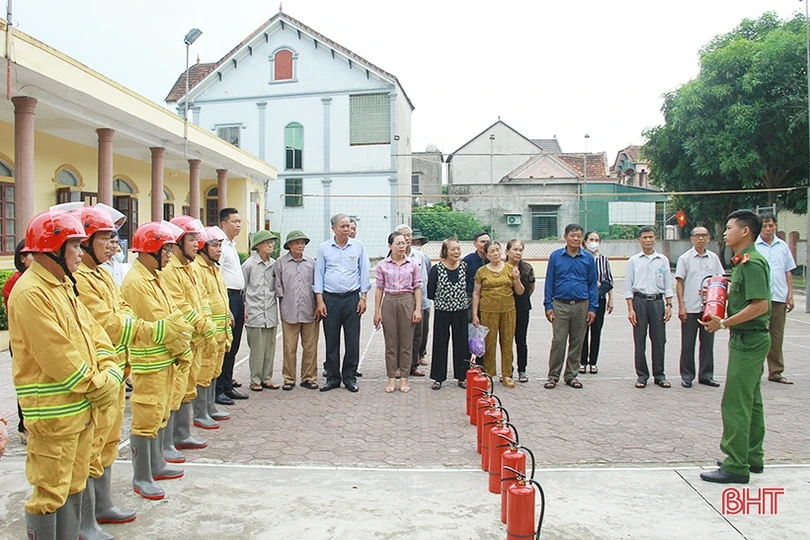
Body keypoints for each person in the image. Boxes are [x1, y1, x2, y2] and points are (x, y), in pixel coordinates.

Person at [9, 209, 124, 538]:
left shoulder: (62, 285)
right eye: (74, 246)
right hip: (54, 414)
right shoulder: (31, 292)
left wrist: (109, 368)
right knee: (49, 494)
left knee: (74, 483)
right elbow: (57, 354)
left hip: (79, 410)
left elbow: (94, 333)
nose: (79, 252)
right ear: (52, 250)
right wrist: (97, 384)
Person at [72, 206, 140, 536]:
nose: (112, 244)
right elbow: (107, 322)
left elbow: (121, 308)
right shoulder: (81, 279)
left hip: (114, 368)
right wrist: (134, 327)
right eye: (104, 238)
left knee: (109, 439)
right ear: (86, 243)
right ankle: (86, 520)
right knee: (92, 445)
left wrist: (126, 324)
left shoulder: (100, 272)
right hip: (99, 373)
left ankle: (102, 505)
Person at [121, 221, 194, 501]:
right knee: (146, 417)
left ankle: (156, 465)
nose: (168, 255)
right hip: (149, 361)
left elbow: (175, 315)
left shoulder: (155, 276)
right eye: (165, 250)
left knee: (160, 412)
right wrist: (178, 333)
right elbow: (159, 321)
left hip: (164, 359)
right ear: (150, 250)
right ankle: (142, 476)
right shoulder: (138, 282)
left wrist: (179, 334)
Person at [700, 209, 771, 484]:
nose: (725, 232)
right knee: (752, 402)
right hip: (748, 338)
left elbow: (760, 305)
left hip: (749, 340)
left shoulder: (752, 263)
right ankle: (751, 456)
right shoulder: (742, 262)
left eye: (730, 228)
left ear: (745, 232)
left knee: (735, 403)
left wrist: (724, 322)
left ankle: (735, 464)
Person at [162, 216, 217, 455]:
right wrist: (202, 323)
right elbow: (180, 305)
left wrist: (205, 319)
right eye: (192, 239)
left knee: (188, 384)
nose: (197, 244)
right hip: (183, 338)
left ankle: (182, 434)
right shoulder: (170, 269)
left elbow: (200, 297)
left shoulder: (189, 267)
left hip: (195, 338)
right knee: (177, 389)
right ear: (177, 241)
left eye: (197, 239)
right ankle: (173, 438)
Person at [314, 213, 371, 393]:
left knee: (352, 340)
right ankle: (332, 377)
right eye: (343, 226)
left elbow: (364, 273)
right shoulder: (324, 248)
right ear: (333, 229)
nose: (347, 229)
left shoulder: (358, 247)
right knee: (331, 339)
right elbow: (319, 275)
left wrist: (363, 298)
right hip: (330, 299)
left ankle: (349, 376)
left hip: (352, 299)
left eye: (348, 226)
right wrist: (320, 302)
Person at [542, 224, 598, 390]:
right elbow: (549, 281)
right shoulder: (556, 256)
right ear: (565, 236)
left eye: (579, 236)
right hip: (560, 305)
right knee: (558, 341)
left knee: (577, 341)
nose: (576, 239)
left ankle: (571, 375)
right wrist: (548, 304)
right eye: (573, 235)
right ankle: (553, 376)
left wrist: (593, 308)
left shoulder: (588, 258)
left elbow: (592, 284)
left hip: (582, 305)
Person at [373, 231, 423, 393]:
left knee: (406, 343)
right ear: (390, 246)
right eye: (398, 243)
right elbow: (379, 288)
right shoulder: (382, 265)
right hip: (389, 302)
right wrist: (377, 311)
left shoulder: (413, 264)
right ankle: (391, 379)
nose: (402, 246)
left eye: (404, 243)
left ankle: (404, 379)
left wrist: (417, 309)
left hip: (407, 301)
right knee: (391, 343)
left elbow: (417, 288)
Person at [675, 226, 724, 388]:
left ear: (709, 238)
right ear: (691, 239)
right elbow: (680, 283)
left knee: (708, 343)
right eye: (697, 236)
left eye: (704, 235)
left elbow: (720, 281)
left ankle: (706, 375)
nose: (701, 239)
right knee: (688, 343)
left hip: (710, 309)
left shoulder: (714, 258)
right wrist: (681, 306)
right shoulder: (685, 258)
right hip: (690, 307)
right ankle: (687, 375)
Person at [626, 226, 674, 389]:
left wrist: (668, 305)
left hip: (657, 302)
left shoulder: (662, 260)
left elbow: (668, 285)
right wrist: (630, 309)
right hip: (639, 302)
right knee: (639, 340)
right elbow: (628, 287)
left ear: (655, 239)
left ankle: (659, 375)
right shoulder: (634, 260)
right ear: (639, 240)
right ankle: (642, 375)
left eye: (651, 237)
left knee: (659, 340)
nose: (648, 240)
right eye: (645, 237)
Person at [194, 226, 233, 422]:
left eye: (220, 246)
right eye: (215, 246)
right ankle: (200, 412)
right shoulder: (197, 269)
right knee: (204, 370)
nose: (219, 250)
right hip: (207, 332)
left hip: (220, 331)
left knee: (214, 369)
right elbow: (201, 300)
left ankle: (210, 406)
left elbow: (220, 296)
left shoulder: (214, 269)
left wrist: (229, 313)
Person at [472, 240, 524, 387]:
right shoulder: (481, 271)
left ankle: (507, 374)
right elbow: (476, 294)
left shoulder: (510, 268)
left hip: (508, 309)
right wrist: (475, 315)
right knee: (489, 343)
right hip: (488, 310)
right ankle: (489, 374)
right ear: (486, 255)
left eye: (497, 250)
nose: (495, 254)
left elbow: (520, 292)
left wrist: (517, 278)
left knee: (507, 341)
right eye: (492, 251)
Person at [754, 212, 796, 385]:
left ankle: (776, 371)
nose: (768, 229)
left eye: (771, 225)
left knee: (776, 335)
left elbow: (788, 271)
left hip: (778, 297)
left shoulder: (782, 247)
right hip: (759, 298)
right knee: (758, 334)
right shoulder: (754, 247)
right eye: (764, 226)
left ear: (776, 226)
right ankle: (756, 370)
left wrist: (790, 295)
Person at [275, 230, 320, 391]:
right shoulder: (280, 263)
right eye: (296, 242)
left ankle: (309, 377)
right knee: (289, 347)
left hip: (310, 310)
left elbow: (317, 285)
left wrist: (318, 305)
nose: (300, 245)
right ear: (289, 245)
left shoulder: (311, 263)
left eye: (302, 242)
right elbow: (278, 286)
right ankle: (289, 378)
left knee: (310, 346)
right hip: (289, 310)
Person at [216, 208, 249, 405]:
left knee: (235, 344)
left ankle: (227, 385)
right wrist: (226, 307)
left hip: (237, 297)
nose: (238, 225)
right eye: (234, 221)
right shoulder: (220, 246)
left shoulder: (232, 245)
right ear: (223, 223)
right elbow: (217, 277)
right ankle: (218, 389)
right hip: (226, 296)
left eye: (239, 221)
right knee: (225, 345)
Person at [427, 238, 469, 389]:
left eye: (458, 248)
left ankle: (462, 377)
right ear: (445, 251)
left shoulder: (465, 267)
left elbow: (469, 289)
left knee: (462, 344)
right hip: (442, 312)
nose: (456, 252)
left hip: (461, 312)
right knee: (440, 343)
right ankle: (438, 378)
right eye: (453, 249)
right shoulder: (436, 269)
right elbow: (430, 292)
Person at [242, 230, 281, 391]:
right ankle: (255, 380)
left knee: (270, 347)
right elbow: (242, 289)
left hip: (270, 312)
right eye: (267, 242)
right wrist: (243, 308)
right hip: (254, 311)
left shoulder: (275, 265)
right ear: (257, 245)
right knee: (257, 348)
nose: (271, 245)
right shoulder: (249, 265)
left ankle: (267, 378)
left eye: (272, 242)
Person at [3, 240, 33, 445]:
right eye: (30, 254)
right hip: (22, 341)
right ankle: (24, 426)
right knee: (26, 382)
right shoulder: (16, 282)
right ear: (22, 258)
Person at [395, 224, 430, 378]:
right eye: (403, 236)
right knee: (400, 335)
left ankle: (413, 365)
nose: (407, 238)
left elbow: (424, 279)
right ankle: (398, 366)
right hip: (400, 301)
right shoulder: (391, 257)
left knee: (417, 335)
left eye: (408, 235)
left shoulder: (420, 256)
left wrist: (420, 304)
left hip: (419, 301)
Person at [580, 231, 613, 375]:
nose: (594, 242)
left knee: (596, 331)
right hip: (583, 299)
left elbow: (609, 280)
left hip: (599, 299)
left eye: (596, 239)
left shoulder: (603, 260)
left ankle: (593, 362)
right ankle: (582, 362)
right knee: (582, 332)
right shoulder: (581, 258)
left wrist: (611, 299)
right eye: (591, 239)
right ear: (585, 242)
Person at [506, 239, 535, 383]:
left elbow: (531, 287)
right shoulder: (501, 267)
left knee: (521, 340)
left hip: (522, 308)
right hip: (505, 308)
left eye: (520, 250)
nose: (518, 252)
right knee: (506, 340)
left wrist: (523, 299)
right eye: (515, 249)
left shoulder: (527, 268)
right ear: (507, 251)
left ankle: (522, 370)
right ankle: (507, 370)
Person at [411, 230, 433, 366]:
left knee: (423, 330)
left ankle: (421, 354)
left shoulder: (424, 257)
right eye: (414, 242)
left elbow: (429, 275)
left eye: (419, 243)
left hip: (424, 299)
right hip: (408, 299)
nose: (416, 244)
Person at [462, 231, 491, 315]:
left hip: (490, 298)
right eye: (482, 242)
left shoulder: (494, 260)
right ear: (475, 244)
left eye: (487, 242)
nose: (485, 244)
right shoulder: (468, 260)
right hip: (471, 298)